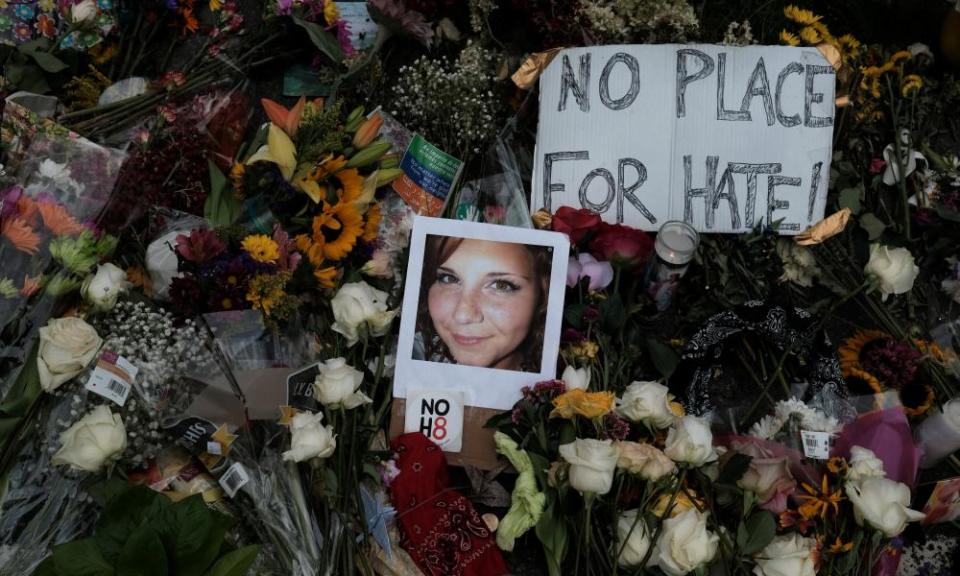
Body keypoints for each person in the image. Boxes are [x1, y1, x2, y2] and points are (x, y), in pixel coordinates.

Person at [415, 235, 550, 371]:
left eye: (501, 285)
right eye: (449, 278)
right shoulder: (409, 355)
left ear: (543, 292)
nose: (463, 315)